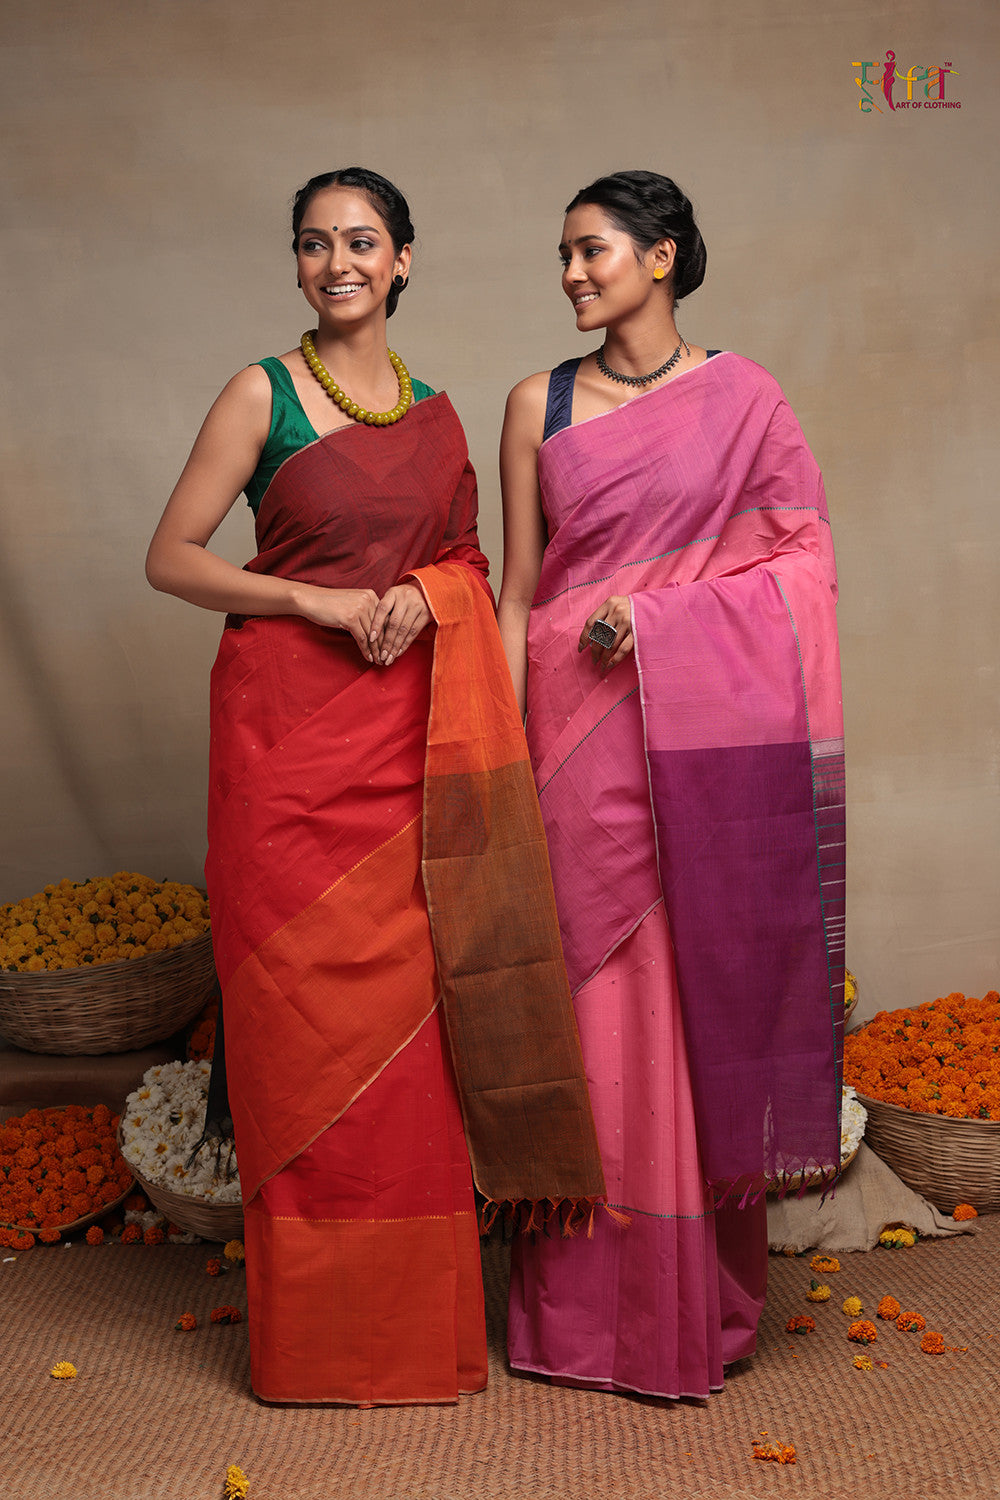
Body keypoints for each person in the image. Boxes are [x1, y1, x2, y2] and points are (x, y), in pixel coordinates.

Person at [146, 167, 603, 1407]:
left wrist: (423, 592)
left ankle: (410, 1340)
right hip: (282, 750)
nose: (336, 262)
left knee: (406, 1045)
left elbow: (466, 563)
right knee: (298, 1034)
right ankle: (314, 1348)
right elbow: (171, 558)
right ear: (297, 264)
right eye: (314, 243)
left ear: (403, 259)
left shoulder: (440, 416)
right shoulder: (261, 393)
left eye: (361, 241)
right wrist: (311, 599)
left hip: (408, 749)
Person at [497, 169, 845, 1400]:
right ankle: (577, 1317)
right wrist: (498, 752)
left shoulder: (745, 399)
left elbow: (802, 565)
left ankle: (687, 1305)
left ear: (660, 255)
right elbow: (518, 591)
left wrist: (659, 624)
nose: (570, 274)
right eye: (562, 254)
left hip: (698, 744)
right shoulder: (534, 403)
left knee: (688, 1005)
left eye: (591, 250)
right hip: (569, 738)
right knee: (586, 1012)